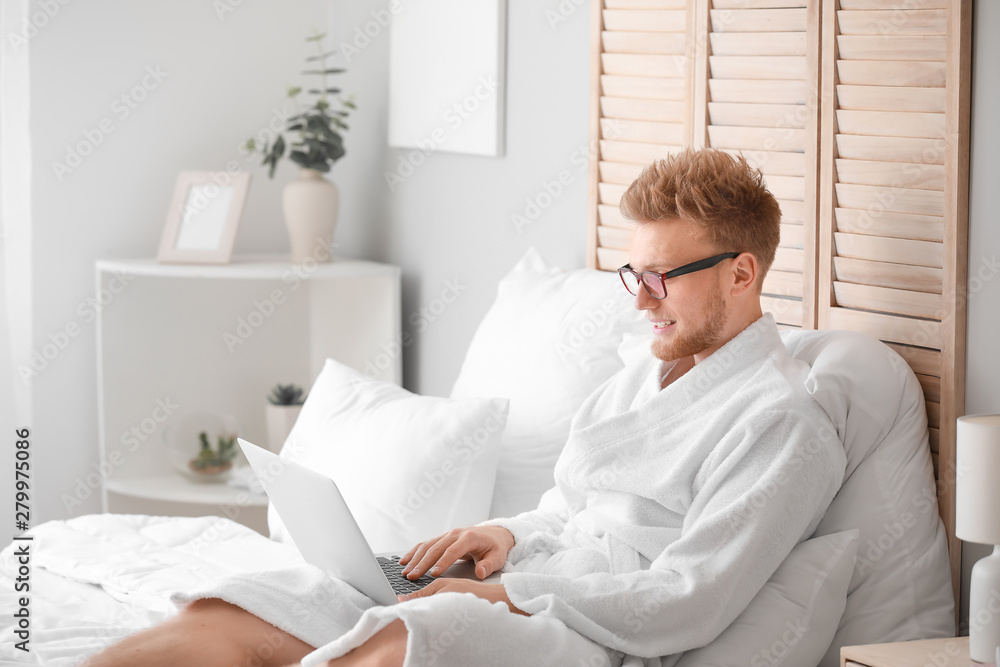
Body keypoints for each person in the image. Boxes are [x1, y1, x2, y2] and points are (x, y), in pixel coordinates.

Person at [82, 148, 846, 667]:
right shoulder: (646, 370)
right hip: (533, 577)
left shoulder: (781, 423)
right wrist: (503, 533)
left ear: (742, 272)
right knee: (271, 597)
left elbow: (690, 598)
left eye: (661, 278)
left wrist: (503, 593)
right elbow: (568, 505)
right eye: (633, 274)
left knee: (410, 631)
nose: (640, 300)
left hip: (586, 628)